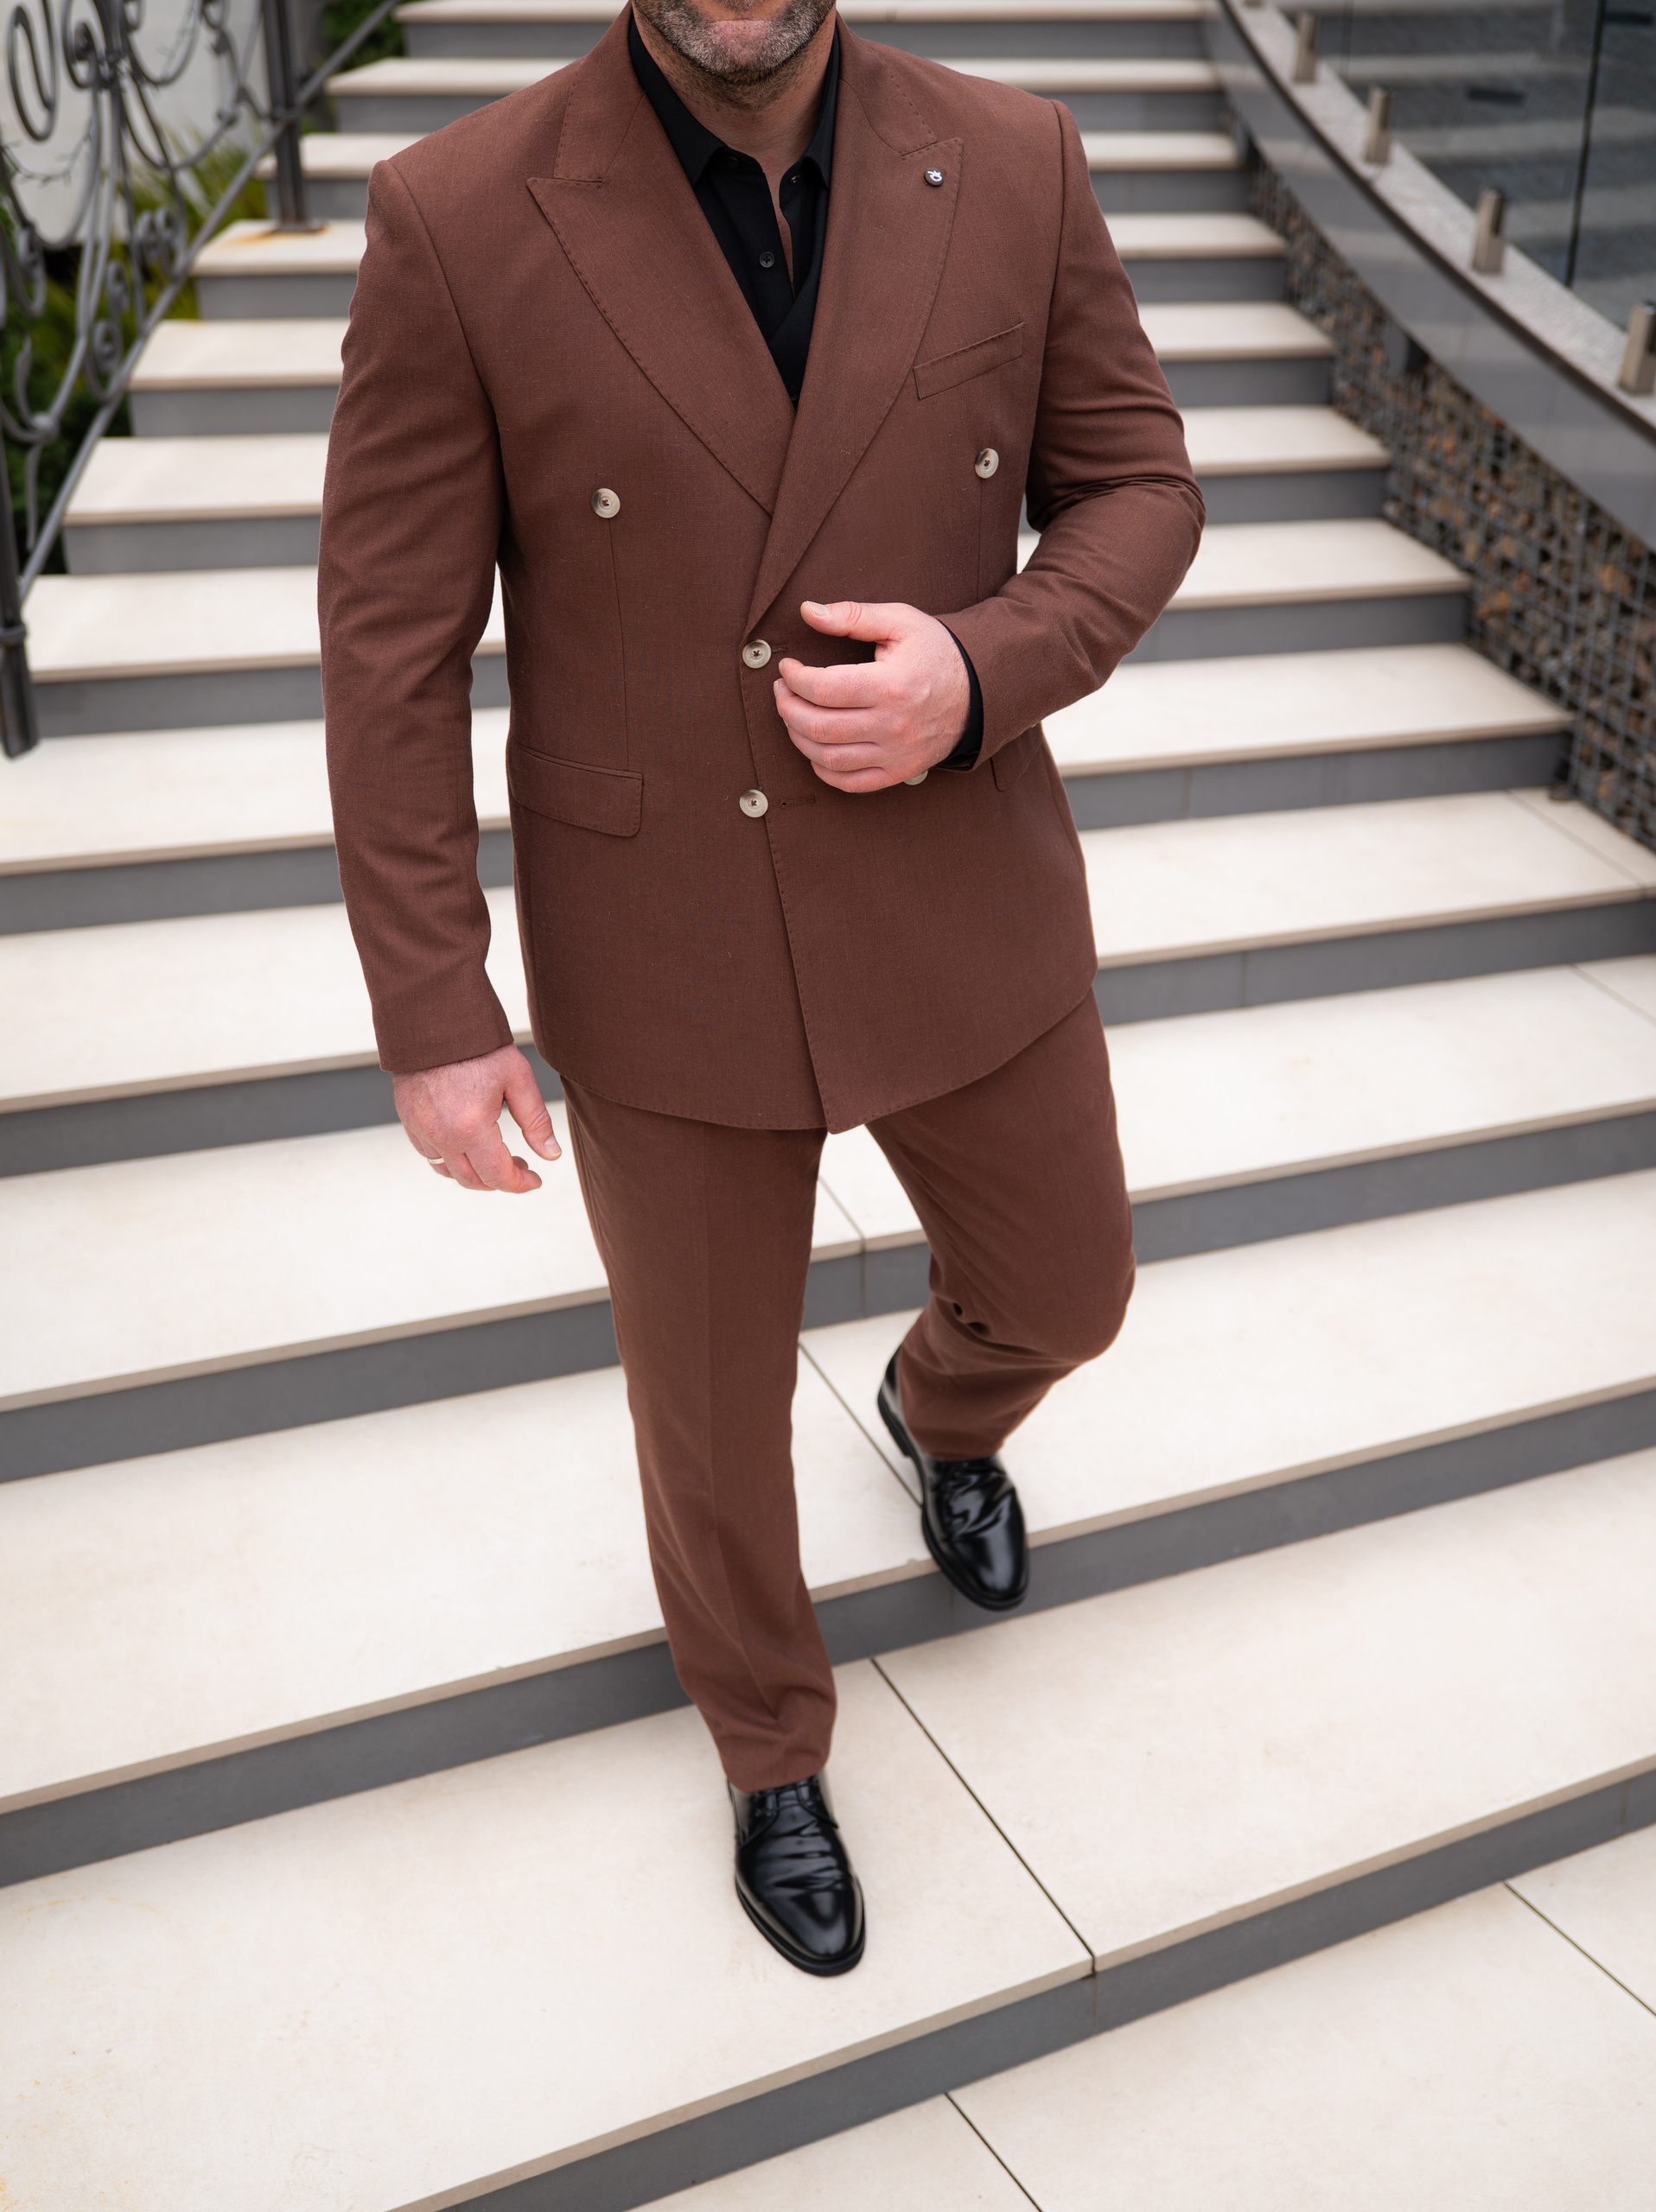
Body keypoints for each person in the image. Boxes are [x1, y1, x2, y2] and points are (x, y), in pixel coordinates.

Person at [320, 0, 1202, 1979]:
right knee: (712, 1426)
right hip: (667, 929)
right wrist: (438, 1004)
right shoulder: (456, 214)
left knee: (1071, 1283)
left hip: (953, 877)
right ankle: (768, 1741)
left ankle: (940, 1406)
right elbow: (390, 645)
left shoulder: (1019, 156)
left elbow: (1141, 484)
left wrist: (982, 667)